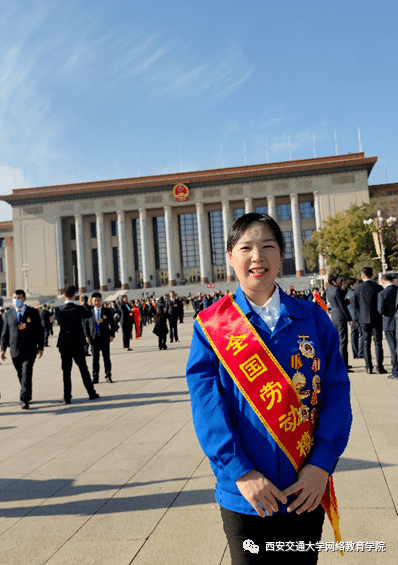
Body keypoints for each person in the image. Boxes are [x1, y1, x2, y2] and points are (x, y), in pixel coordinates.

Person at [186, 213, 352, 564]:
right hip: (245, 494)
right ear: (231, 257)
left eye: (268, 247)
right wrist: (241, 472)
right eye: (245, 247)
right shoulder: (211, 326)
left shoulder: (314, 318)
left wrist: (321, 465)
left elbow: (336, 395)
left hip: (305, 487)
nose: (257, 257)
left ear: (281, 256)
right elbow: (207, 408)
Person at [55, 285, 100, 404]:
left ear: (64, 295)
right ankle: (91, 393)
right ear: (75, 295)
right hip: (77, 343)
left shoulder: (58, 309)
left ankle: (67, 396)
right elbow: (89, 314)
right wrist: (83, 303)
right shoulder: (79, 309)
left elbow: (58, 321)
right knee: (83, 369)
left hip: (64, 342)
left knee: (66, 371)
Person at [1, 290, 44, 409]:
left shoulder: (33, 312)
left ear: (24, 299)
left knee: (26, 372)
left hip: (30, 349)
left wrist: (40, 346)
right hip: (15, 350)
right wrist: (3, 349)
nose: (16, 299)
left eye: (18, 297)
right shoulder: (7, 314)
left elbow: (39, 331)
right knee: (21, 374)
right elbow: (5, 333)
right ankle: (27, 393)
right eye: (14, 297)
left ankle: (24, 399)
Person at [353, 266, 385, 374]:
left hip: (363, 319)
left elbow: (355, 305)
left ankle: (368, 367)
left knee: (366, 343)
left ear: (362, 276)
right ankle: (380, 367)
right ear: (372, 275)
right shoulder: (378, 287)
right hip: (376, 318)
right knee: (378, 342)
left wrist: (357, 319)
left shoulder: (357, 288)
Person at [85, 292, 115, 383]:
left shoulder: (107, 311)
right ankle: (95, 377)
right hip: (94, 339)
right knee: (95, 359)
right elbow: (86, 325)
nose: (96, 302)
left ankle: (108, 376)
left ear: (101, 300)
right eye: (94, 300)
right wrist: (87, 336)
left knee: (106, 358)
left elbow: (112, 324)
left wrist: (112, 335)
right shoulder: (89, 312)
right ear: (92, 301)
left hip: (104, 338)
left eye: (98, 300)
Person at [326, 274, 354, 372]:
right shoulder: (337, 290)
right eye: (338, 279)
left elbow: (338, 301)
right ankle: (344, 365)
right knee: (343, 342)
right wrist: (350, 319)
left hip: (334, 317)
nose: (339, 280)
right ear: (333, 281)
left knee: (337, 342)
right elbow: (342, 305)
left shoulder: (329, 290)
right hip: (341, 318)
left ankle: (338, 364)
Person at [377, 274, 398, 379]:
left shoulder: (382, 293)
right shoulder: (397, 289)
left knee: (393, 348)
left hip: (389, 323)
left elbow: (381, 310)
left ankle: (395, 371)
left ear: (383, 282)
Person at [345, 278, 363, 360]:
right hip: (357, 316)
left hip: (352, 316)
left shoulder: (348, 293)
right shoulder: (355, 293)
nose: (357, 284)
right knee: (362, 334)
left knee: (354, 335)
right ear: (352, 286)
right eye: (356, 283)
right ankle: (360, 352)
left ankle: (355, 353)